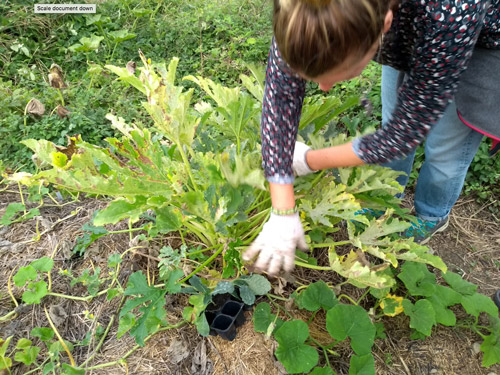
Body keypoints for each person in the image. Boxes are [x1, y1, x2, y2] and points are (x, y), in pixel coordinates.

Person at [242, 0, 500, 276]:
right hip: (412, 24)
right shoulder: (304, 11)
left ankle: (432, 215)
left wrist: (309, 160)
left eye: (341, 74)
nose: (324, 88)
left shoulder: (451, 14)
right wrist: (283, 208)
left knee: (445, 149)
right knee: (392, 117)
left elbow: (401, 135)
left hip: (472, 43)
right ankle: (386, 201)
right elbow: (280, 100)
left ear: (384, 25)